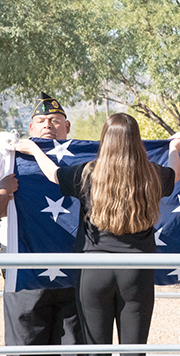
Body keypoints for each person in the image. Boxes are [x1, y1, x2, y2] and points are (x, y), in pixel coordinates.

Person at [15, 113, 180, 356]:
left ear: (105, 140)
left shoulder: (88, 173)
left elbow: (54, 174)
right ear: (136, 141)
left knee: (96, 351)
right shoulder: (151, 174)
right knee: (134, 352)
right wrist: (173, 149)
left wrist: (34, 148)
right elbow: (175, 174)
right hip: (137, 274)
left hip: (93, 272)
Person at [2, 92, 82, 354]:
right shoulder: (8, 159)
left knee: (72, 349)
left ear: (67, 127)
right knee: (26, 349)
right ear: (31, 127)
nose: (48, 124)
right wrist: (2, 191)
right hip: (25, 274)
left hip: (75, 274)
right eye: (42, 120)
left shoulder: (84, 161)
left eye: (56, 120)